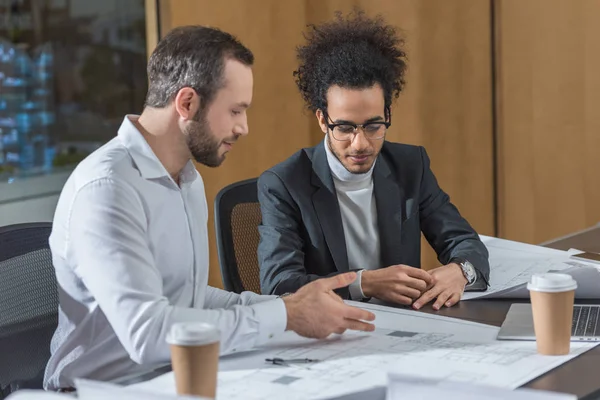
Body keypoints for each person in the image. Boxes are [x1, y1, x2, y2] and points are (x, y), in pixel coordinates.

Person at [43, 25, 375, 391]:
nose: (243, 127)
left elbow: (188, 296)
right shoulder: (107, 188)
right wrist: (284, 315)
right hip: (102, 391)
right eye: (235, 111)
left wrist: (286, 305)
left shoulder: (185, 178)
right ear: (187, 103)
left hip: (177, 378)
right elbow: (148, 334)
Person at [258, 11, 490, 310]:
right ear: (322, 120)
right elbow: (280, 285)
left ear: (388, 116)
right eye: (344, 128)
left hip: (405, 327)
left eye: (373, 126)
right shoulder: (285, 183)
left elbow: (464, 241)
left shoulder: (409, 165)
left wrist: (461, 271)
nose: (361, 143)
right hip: (329, 332)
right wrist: (363, 283)